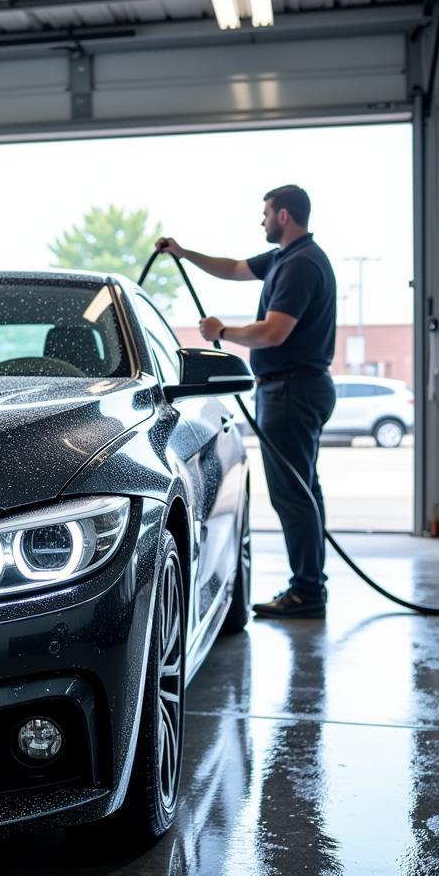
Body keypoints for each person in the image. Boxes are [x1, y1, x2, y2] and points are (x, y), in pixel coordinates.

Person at [156, 184, 337, 618]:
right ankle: (310, 586)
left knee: (293, 494)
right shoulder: (284, 260)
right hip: (294, 387)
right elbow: (235, 268)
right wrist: (184, 253)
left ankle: (307, 592)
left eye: (266, 213)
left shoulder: (300, 266)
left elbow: (274, 332)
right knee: (303, 491)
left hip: (292, 390)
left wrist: (222, 333)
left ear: (285, 216)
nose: (262, 220)